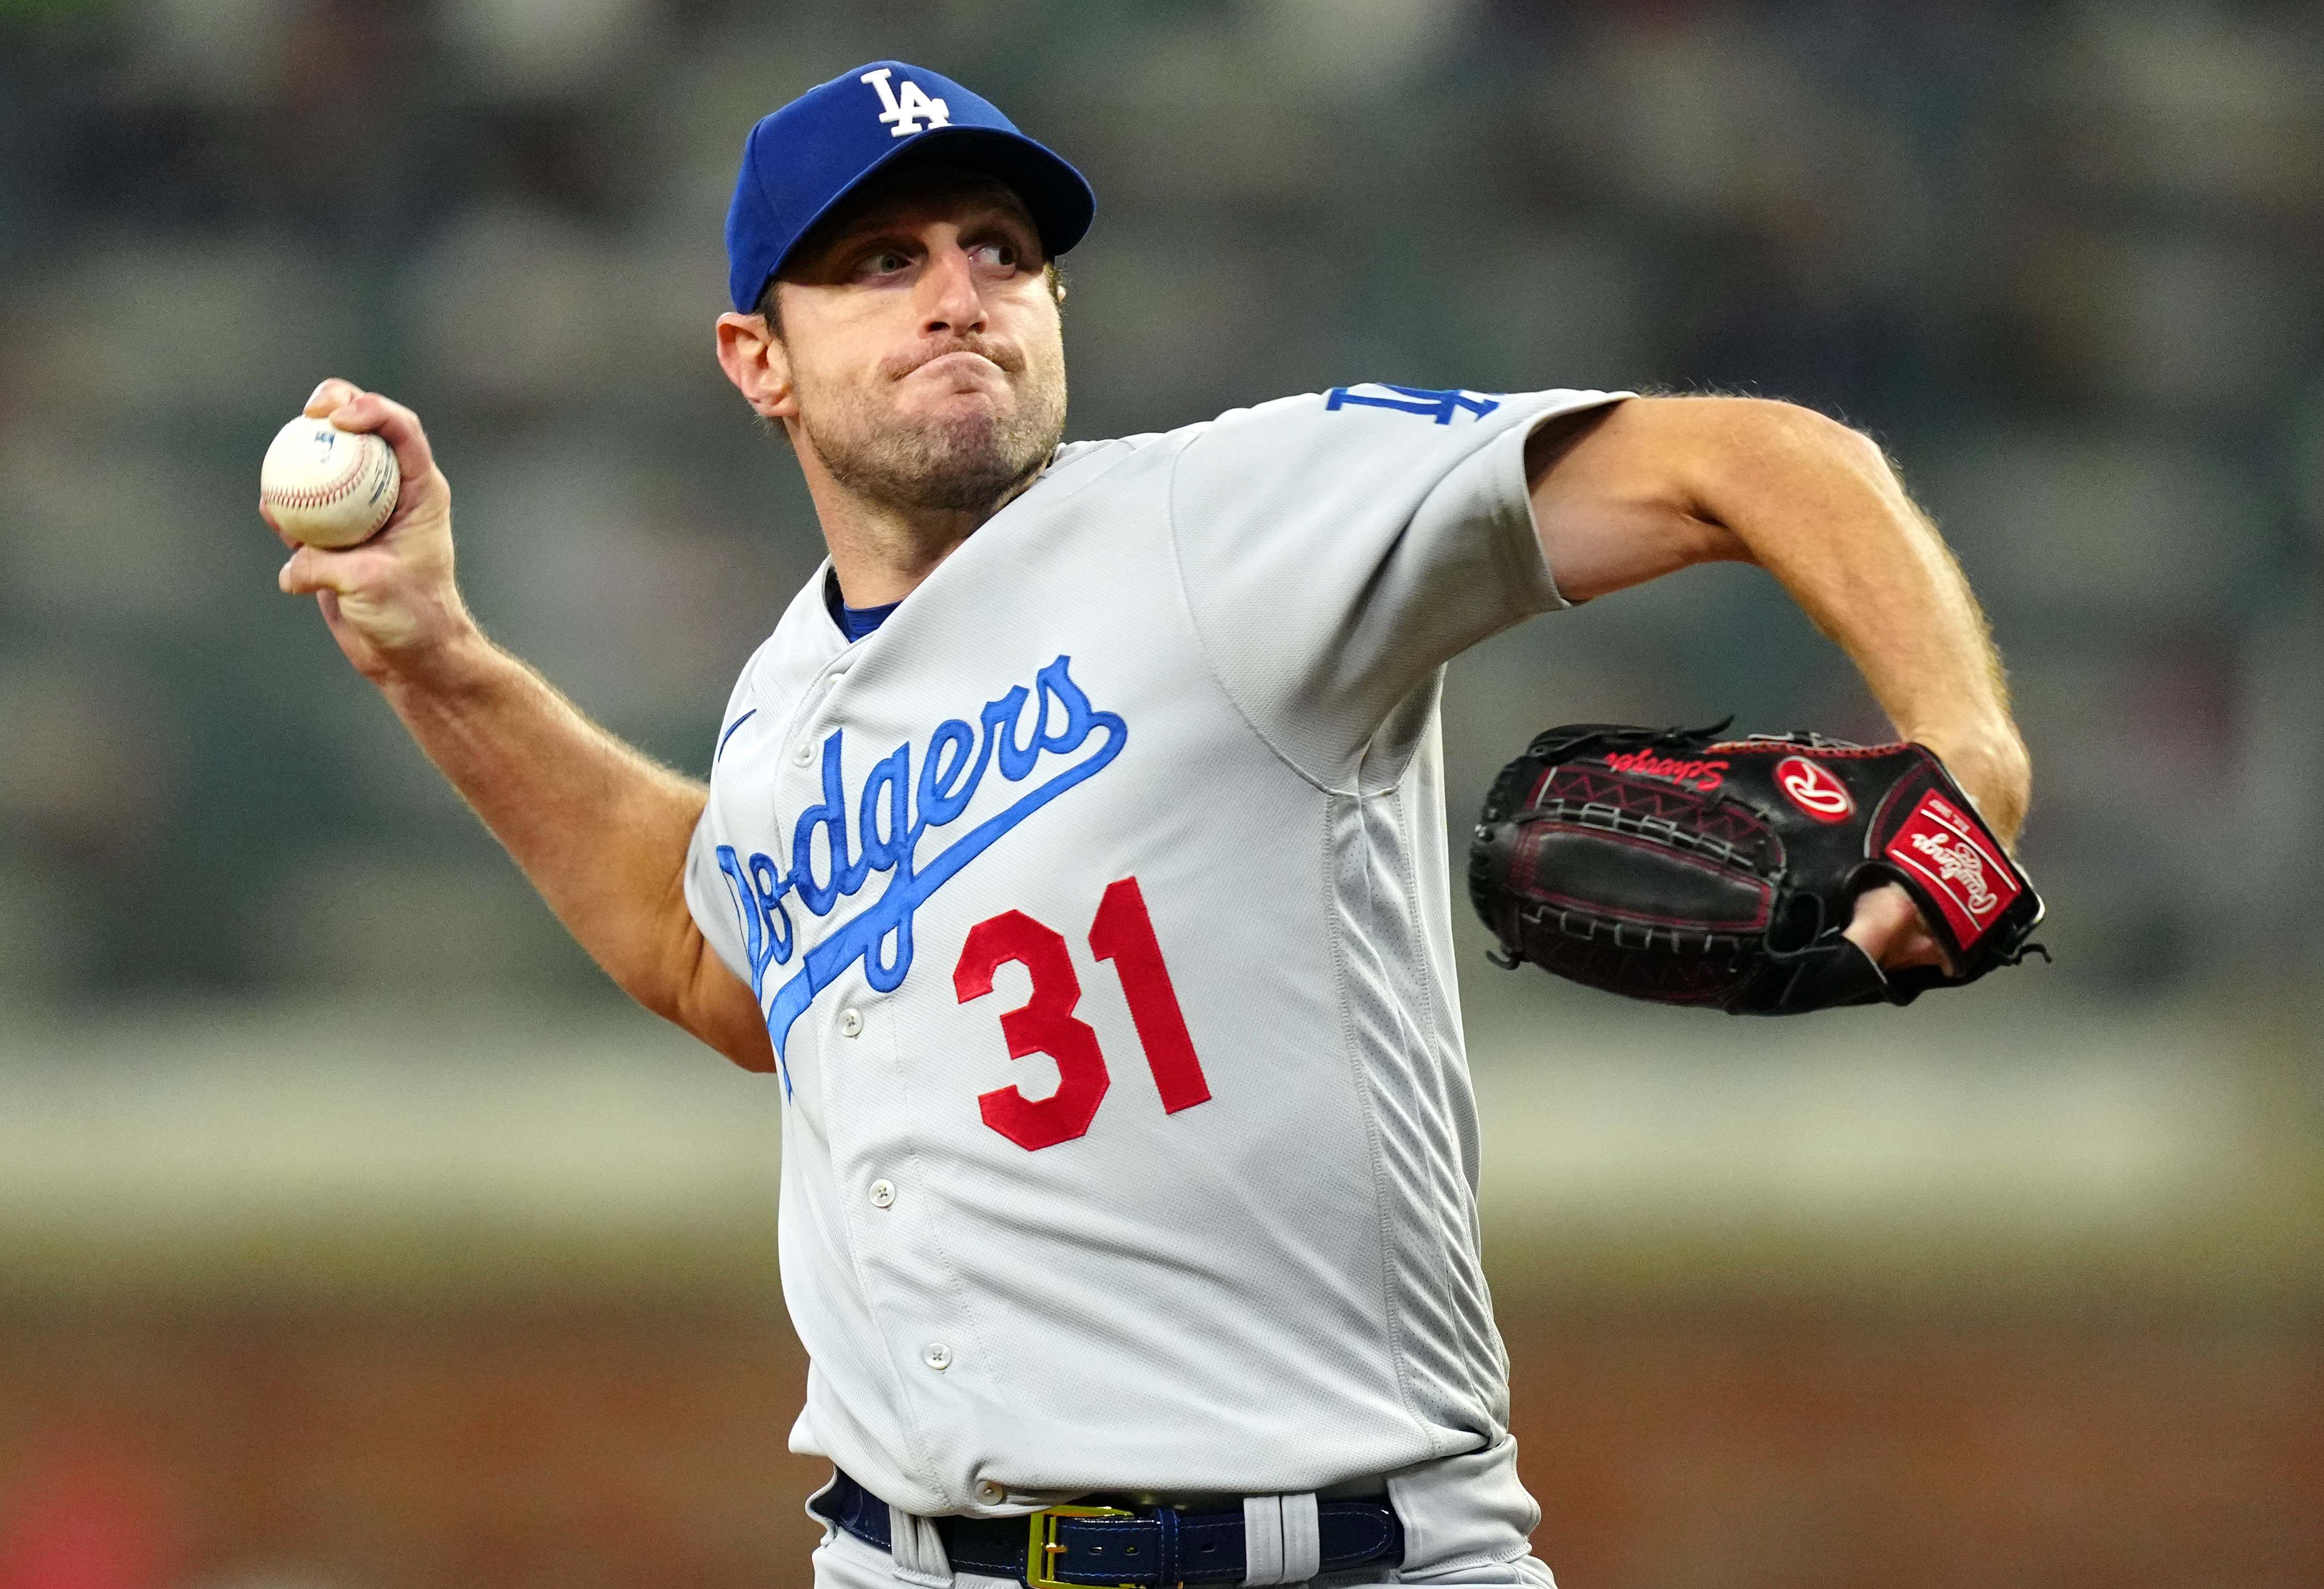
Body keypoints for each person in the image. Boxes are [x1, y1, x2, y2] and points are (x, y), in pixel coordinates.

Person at [269, 59, 2030, 1589]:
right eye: (881, 262)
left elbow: (1761, 457)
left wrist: (1965, 743)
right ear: (759, 360)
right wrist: (437, 661)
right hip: (902, 1559)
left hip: (1348, 1551)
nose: (958, 293)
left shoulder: (1228, 519)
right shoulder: (783, 699)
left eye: (1001, 253)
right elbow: (709, 952)